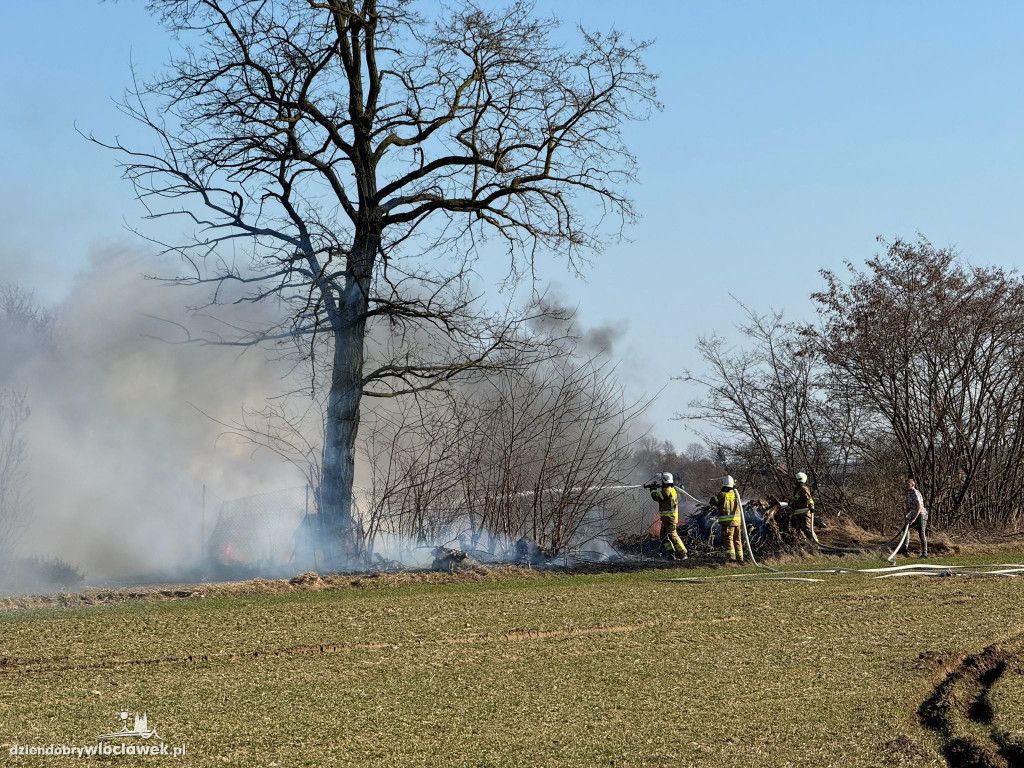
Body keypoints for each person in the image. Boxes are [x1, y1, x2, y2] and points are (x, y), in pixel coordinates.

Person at [647, 472, 688, 561]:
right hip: (667, 518)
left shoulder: (667, 490)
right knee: (663, 535)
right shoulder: (670, 489)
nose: (661, 482)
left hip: (670, 518)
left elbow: (656, 497)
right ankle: (670, 553)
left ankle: (683, 553)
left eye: (662, 481)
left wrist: (653, 489)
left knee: (672, 535)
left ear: (664, 481)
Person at [710, 475, 744, 564]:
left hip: (727, 524)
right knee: (737, 540)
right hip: (737, 523)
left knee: (728, 540)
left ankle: (731, 559)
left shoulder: (722, 495)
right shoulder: (736, 494)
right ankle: (740, 559)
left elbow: (712, 502)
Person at [900, 478, 929, 558]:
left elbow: (919, 507)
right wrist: (907, 515)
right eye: (906, 484)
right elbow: (909, 507)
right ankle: (904, 549)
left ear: (912, 485)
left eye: (908, 484)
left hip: (921, 515)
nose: (906, 486)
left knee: (921, 534)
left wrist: (914, 519)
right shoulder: (908, 494)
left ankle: (924, 554)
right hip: (913, 515)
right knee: (905, 528)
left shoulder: (916, 493)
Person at [790, 471, 816, 542]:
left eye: (795, 479)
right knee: (799, 531)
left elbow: (809, 499)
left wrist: (811, 507)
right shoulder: (797, 489)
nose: (794, 481)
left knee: (807, 529)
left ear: (799, 479)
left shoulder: (803, 488)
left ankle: (816, 544)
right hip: (798, 514)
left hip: (805, 513)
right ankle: (805, 545)